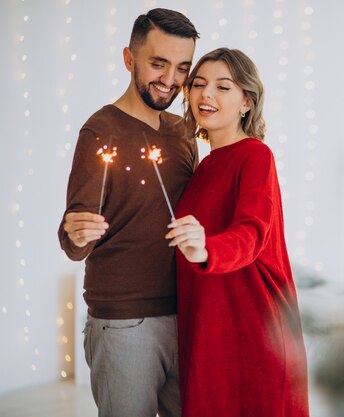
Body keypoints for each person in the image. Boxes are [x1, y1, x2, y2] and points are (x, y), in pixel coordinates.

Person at [58, 9, 199, 417]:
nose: (170, 80)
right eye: (158, 63)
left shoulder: (183, 131)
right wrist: (76, 233)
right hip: (124, 323)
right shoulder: (99, 130)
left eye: (182, 68)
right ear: (129, 58)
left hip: (188, 312)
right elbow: (72, 240)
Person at [165, 48, 310, 417]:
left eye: (222, 87)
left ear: (247, 101)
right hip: (208, 332)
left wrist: (206, 251)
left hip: (252, 330)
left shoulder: (255, 156)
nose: (205, 94)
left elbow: (251, 232)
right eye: (198, 84)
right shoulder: (202, 167)